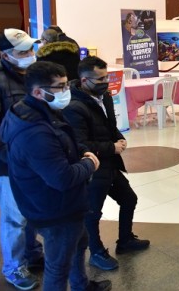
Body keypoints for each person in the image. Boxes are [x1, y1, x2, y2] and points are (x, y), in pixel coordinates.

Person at [1, 61, 111, 291]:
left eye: (66, 84)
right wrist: (89, 163)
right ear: (38, 92)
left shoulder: (35, 110)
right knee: (58, 267)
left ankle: (81, 285)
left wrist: (80, 150)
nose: (66, 91)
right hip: (55, 210)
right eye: (60, 87)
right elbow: (62, 178)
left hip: (63, 205)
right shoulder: (35, 132)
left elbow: (64, 140)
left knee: (79, 243)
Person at [63, 56, 149, 272]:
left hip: (110, 164)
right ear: (84, 80)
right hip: (93, 167)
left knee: (129, 199)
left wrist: (119, 138)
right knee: (93, 213)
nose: (106, 82)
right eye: (100, 79)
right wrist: (112, 147)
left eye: (106, 77)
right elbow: (80, 144)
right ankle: (96, 252)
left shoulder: (106, 97)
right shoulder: (74, 107)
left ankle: (125, 240)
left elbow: (110, 126)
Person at [0, 28, 43, 290]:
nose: (29, 54)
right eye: (22, 51)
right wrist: (14, 159)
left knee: (30, 210)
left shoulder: (30, 74)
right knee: (14, 217)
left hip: (31, 158)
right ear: (5, 55)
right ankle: (14, 267)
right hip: (6, 162)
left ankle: (31, 251)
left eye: (30, 48)